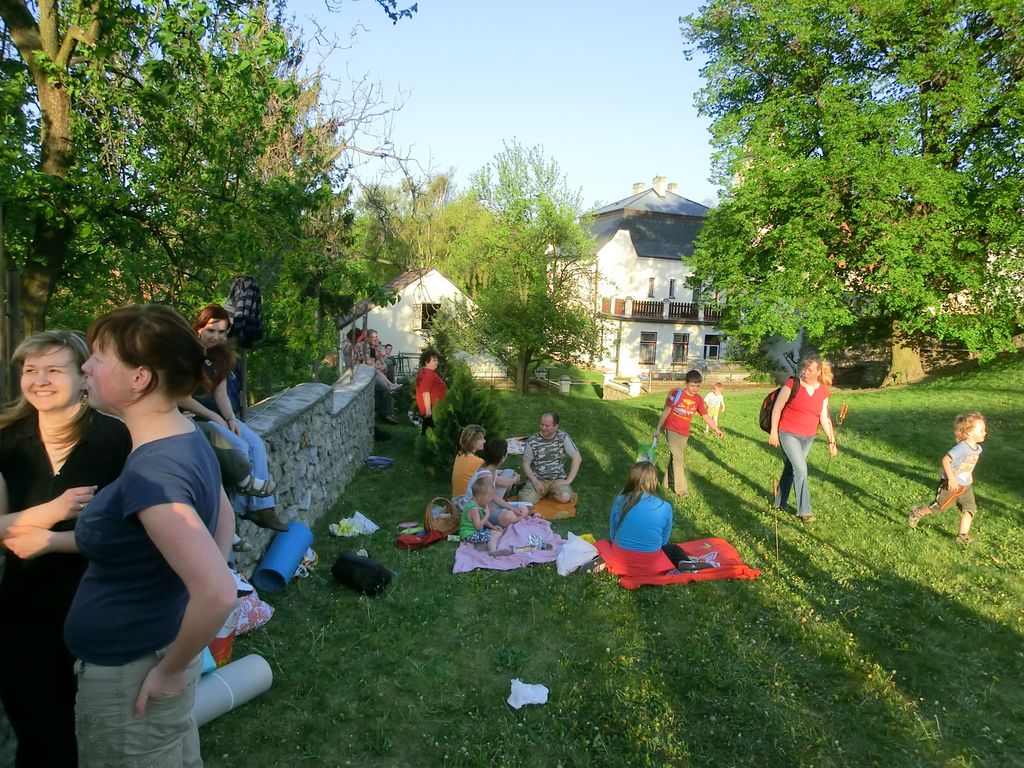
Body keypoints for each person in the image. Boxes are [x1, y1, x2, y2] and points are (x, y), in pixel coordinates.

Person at [65, 304, 237, 767]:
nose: (85, 366)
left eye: (98, 357)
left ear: (139, 378)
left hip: (132, 672)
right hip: (153, 645)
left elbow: (218, 593)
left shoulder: (153, 473)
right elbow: (224, 520)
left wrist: (172, 670)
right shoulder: (186, 436)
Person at [0, 330, 132, 767]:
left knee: (96, 738)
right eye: (30, 370)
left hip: (99, 606)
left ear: (82, 377)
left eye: (54, 370)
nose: (39, 380)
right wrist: (54, 509)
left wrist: (50, 539)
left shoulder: (116, 439)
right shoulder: (7, 439)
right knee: (39, 738)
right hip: (25, 613)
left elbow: (131, 535)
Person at [181, 304, 286, 532]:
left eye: (221, 332)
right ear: (199, 328)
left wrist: (230, 418)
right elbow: (181, 396)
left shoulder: (221, 355)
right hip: (195, 418)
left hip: (218, 416)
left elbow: (221, 394)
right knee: (239, 446)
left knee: (255, 444)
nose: (216, 337)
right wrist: (213, 416)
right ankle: (240, 509)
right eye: (211, 330)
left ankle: (262, 509)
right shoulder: (187, 355)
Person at [605, 461, 712, 573]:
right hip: (650, 562)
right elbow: (664, 540)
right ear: (654, 482)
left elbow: (613, 530)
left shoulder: (620, 500)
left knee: (603, 545)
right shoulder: (665, 507)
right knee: (673, 549)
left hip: (621, 558)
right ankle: (682, 561)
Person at [768, 356, 838, 523]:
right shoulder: (792, 384)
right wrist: (773, 432)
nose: (805, 372)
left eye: (809, 370)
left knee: (791, 468)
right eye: (804, 369)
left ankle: (779, 502)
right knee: (801, 469)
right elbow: (777, 408)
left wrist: (832, 441)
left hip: (808, 437)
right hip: (788, 433)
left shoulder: (823, 392)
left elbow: (825, 418)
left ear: (818, 372)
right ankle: (805, 511)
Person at [909, 412, 987, 544]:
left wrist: (969, 475)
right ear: (969, 432)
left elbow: (967, 464)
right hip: (950, 486)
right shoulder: (961, 448)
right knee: (938, 507)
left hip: (966, 488)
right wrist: (951, 478)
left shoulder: (977, 449)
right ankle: (917, 513)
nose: (985, 432)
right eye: (981, 430)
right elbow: (946, 460)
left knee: (969, 509)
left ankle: (962, 535)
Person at [652, 370, 723, 497]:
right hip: (671, 429)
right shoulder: (676, 394)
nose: (695, 388)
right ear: (686, 384)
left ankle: (667, 483)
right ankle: (682, 490)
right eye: (692, 385)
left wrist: (716, 429)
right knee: (679, 458)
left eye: (698, 386)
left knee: (675, 457)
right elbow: (666, 412)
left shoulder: (698, 399)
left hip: (684, 432)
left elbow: (706, 416)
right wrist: (658, 429)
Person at [519, 411, 582, 504]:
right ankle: (540, 492)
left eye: (547, 426)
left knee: (565, 497)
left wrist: (568, 480)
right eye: (541, 424)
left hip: (557, 479)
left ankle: (550, 494)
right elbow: (525, 464)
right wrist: (534, 481)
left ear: (556, 426)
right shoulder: (532, 441)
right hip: (538, 479)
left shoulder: (562, 437)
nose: (543, 428)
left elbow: (577, 458)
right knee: (524, 501)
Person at [465, 438, 527, 526]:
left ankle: (515, 516)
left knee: (523, 509)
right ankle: (516, 519)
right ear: (502, 457)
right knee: (510, 516)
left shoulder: (490, 468)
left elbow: (494, 495)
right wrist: (506, 511)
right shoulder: (486, 476)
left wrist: (512, 509)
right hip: (479, 511)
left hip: (487, 502)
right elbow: (487, 508)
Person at [354, 328, 399, 422]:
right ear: (367, 338)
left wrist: (381, 366)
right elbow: (367, 361)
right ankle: (384, 414)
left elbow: (375, 360)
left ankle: (384, 414)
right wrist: (379, 366)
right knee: (383, 387)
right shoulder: (363, 346)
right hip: (362, 374)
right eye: (373, 337)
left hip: (369, 373)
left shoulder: (370, 347)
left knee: (383, 388)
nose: (375, 339)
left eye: (376, 337)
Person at [459, 475, 504, 553]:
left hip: (469, 533)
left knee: (496, 532)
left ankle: (480, 546)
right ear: (480, 496)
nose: (491, 499)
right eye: (489, 496)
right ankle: (493, 552)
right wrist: (487, 515)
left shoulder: (475, 504)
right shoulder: (474, 509)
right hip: (469, 535)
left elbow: (481, 519)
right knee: (494, 535)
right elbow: (478, 526)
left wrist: (492, 526)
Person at [415, 348, 447, 435]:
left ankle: (423, 440)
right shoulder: (428, 374)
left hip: (433, 407)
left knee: (427, 431)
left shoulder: (426, 372)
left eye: (437, 360)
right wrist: (428, 410)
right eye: (434, 360)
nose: (436, 362)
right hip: (432, 408)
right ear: (426, 361)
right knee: (432, 432)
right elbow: (425, 392)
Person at [451, 424, 486, 499]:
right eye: (481, 439)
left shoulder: (459, 456)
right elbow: (496, 479)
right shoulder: (478, 462)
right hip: (469, 503)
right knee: (507, 475)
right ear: (472, 441)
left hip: (456, 500)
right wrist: (512, 480)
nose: (484, 441)